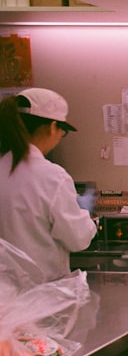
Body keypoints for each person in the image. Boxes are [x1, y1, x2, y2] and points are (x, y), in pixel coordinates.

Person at [0, 88, 96, 282]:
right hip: (43, 295)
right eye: (63, 131)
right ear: (52, 127)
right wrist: (85, 215)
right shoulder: (52, 177)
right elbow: (78, 240)